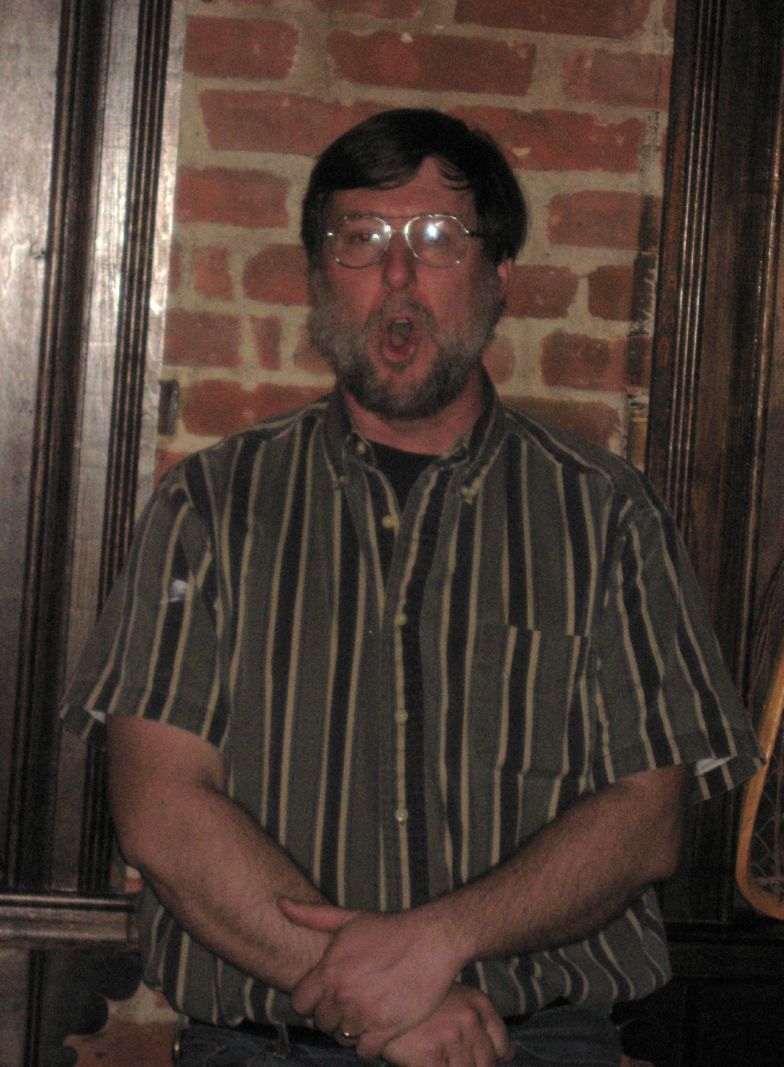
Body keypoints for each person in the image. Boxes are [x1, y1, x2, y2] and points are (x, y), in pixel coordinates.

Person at [60, 108, 762, 1067]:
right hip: (269, 1048)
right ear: (318, 276)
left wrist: (441, 940)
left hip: (533, 1044)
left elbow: (647, 818)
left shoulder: (606, 514)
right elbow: (161, 809)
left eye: (437, 238)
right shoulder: (209, 507)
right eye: (360, 238)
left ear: (499, 274)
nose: (397, 274)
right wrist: (384, 999)